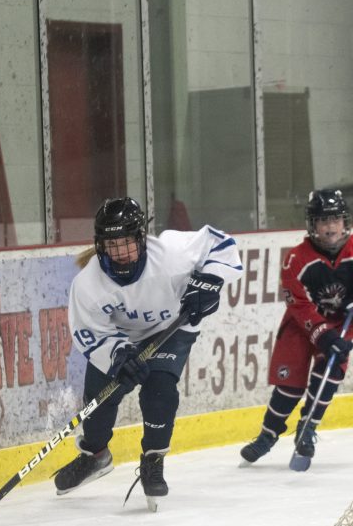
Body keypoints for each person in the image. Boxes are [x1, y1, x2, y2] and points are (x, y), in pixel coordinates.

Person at [55, 197, 242, 508]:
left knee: (160, 391)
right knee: (98, 403)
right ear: (100, 245)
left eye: (127, 242)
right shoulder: (87, 284)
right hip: (121, 340)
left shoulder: (171, 253)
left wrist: (210, 281)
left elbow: (221, 244)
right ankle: (95, 454)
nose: (120, 253)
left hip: (171, 330)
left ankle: (153, 461)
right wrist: (118, 357)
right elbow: (90, 334)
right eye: (112, 245)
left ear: (141, 238)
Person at [240, 189, 353, 469]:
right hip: (300, 327)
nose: (330, 227)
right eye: (323, 221)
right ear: (312, 225)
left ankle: (307, 429)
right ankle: (268, 435)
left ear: (345, 222)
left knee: (328, 375)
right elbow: (299, 304)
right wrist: (322, 333)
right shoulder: (297, 259)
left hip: (340, 322)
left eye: (336, 220)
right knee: (289, 386)